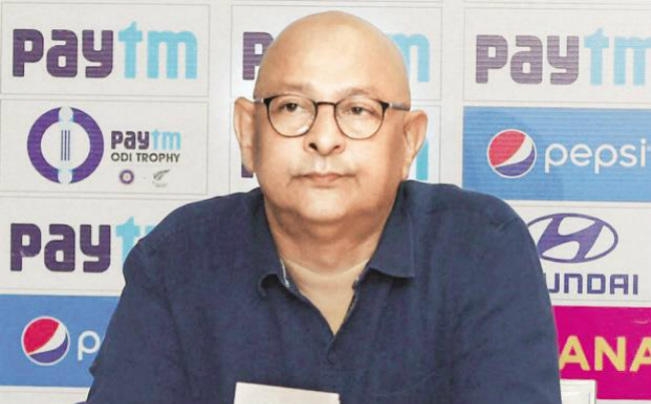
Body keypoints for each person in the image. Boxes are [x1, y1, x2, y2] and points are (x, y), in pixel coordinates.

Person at [85, 11, 562, 404]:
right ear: (248, 133)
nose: (324, 138)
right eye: (292, 107)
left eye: (358, 110)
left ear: (408, 140)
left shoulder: (482, 248)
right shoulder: (179, 257)